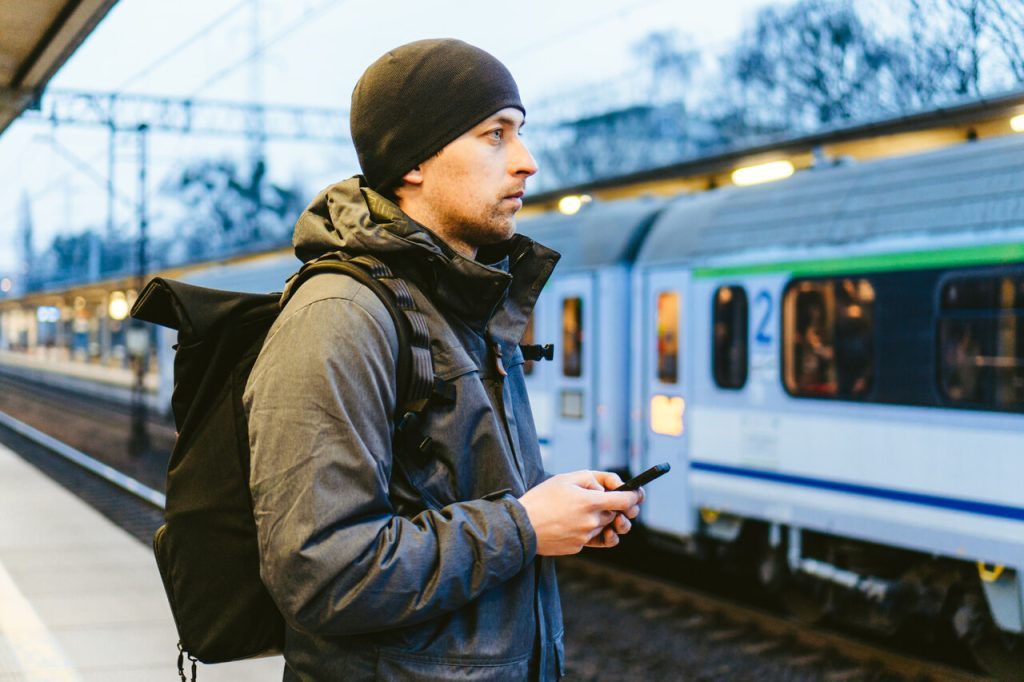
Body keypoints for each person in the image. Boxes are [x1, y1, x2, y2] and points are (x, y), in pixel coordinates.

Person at [244, 38, 644, 681]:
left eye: (520, 134)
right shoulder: (341, 316)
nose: (527, 162)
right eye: (496, 134)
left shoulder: (463, 307)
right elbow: (320, 573)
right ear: (413, 162)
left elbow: (465, 507)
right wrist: (522, 526)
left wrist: (553, 512)